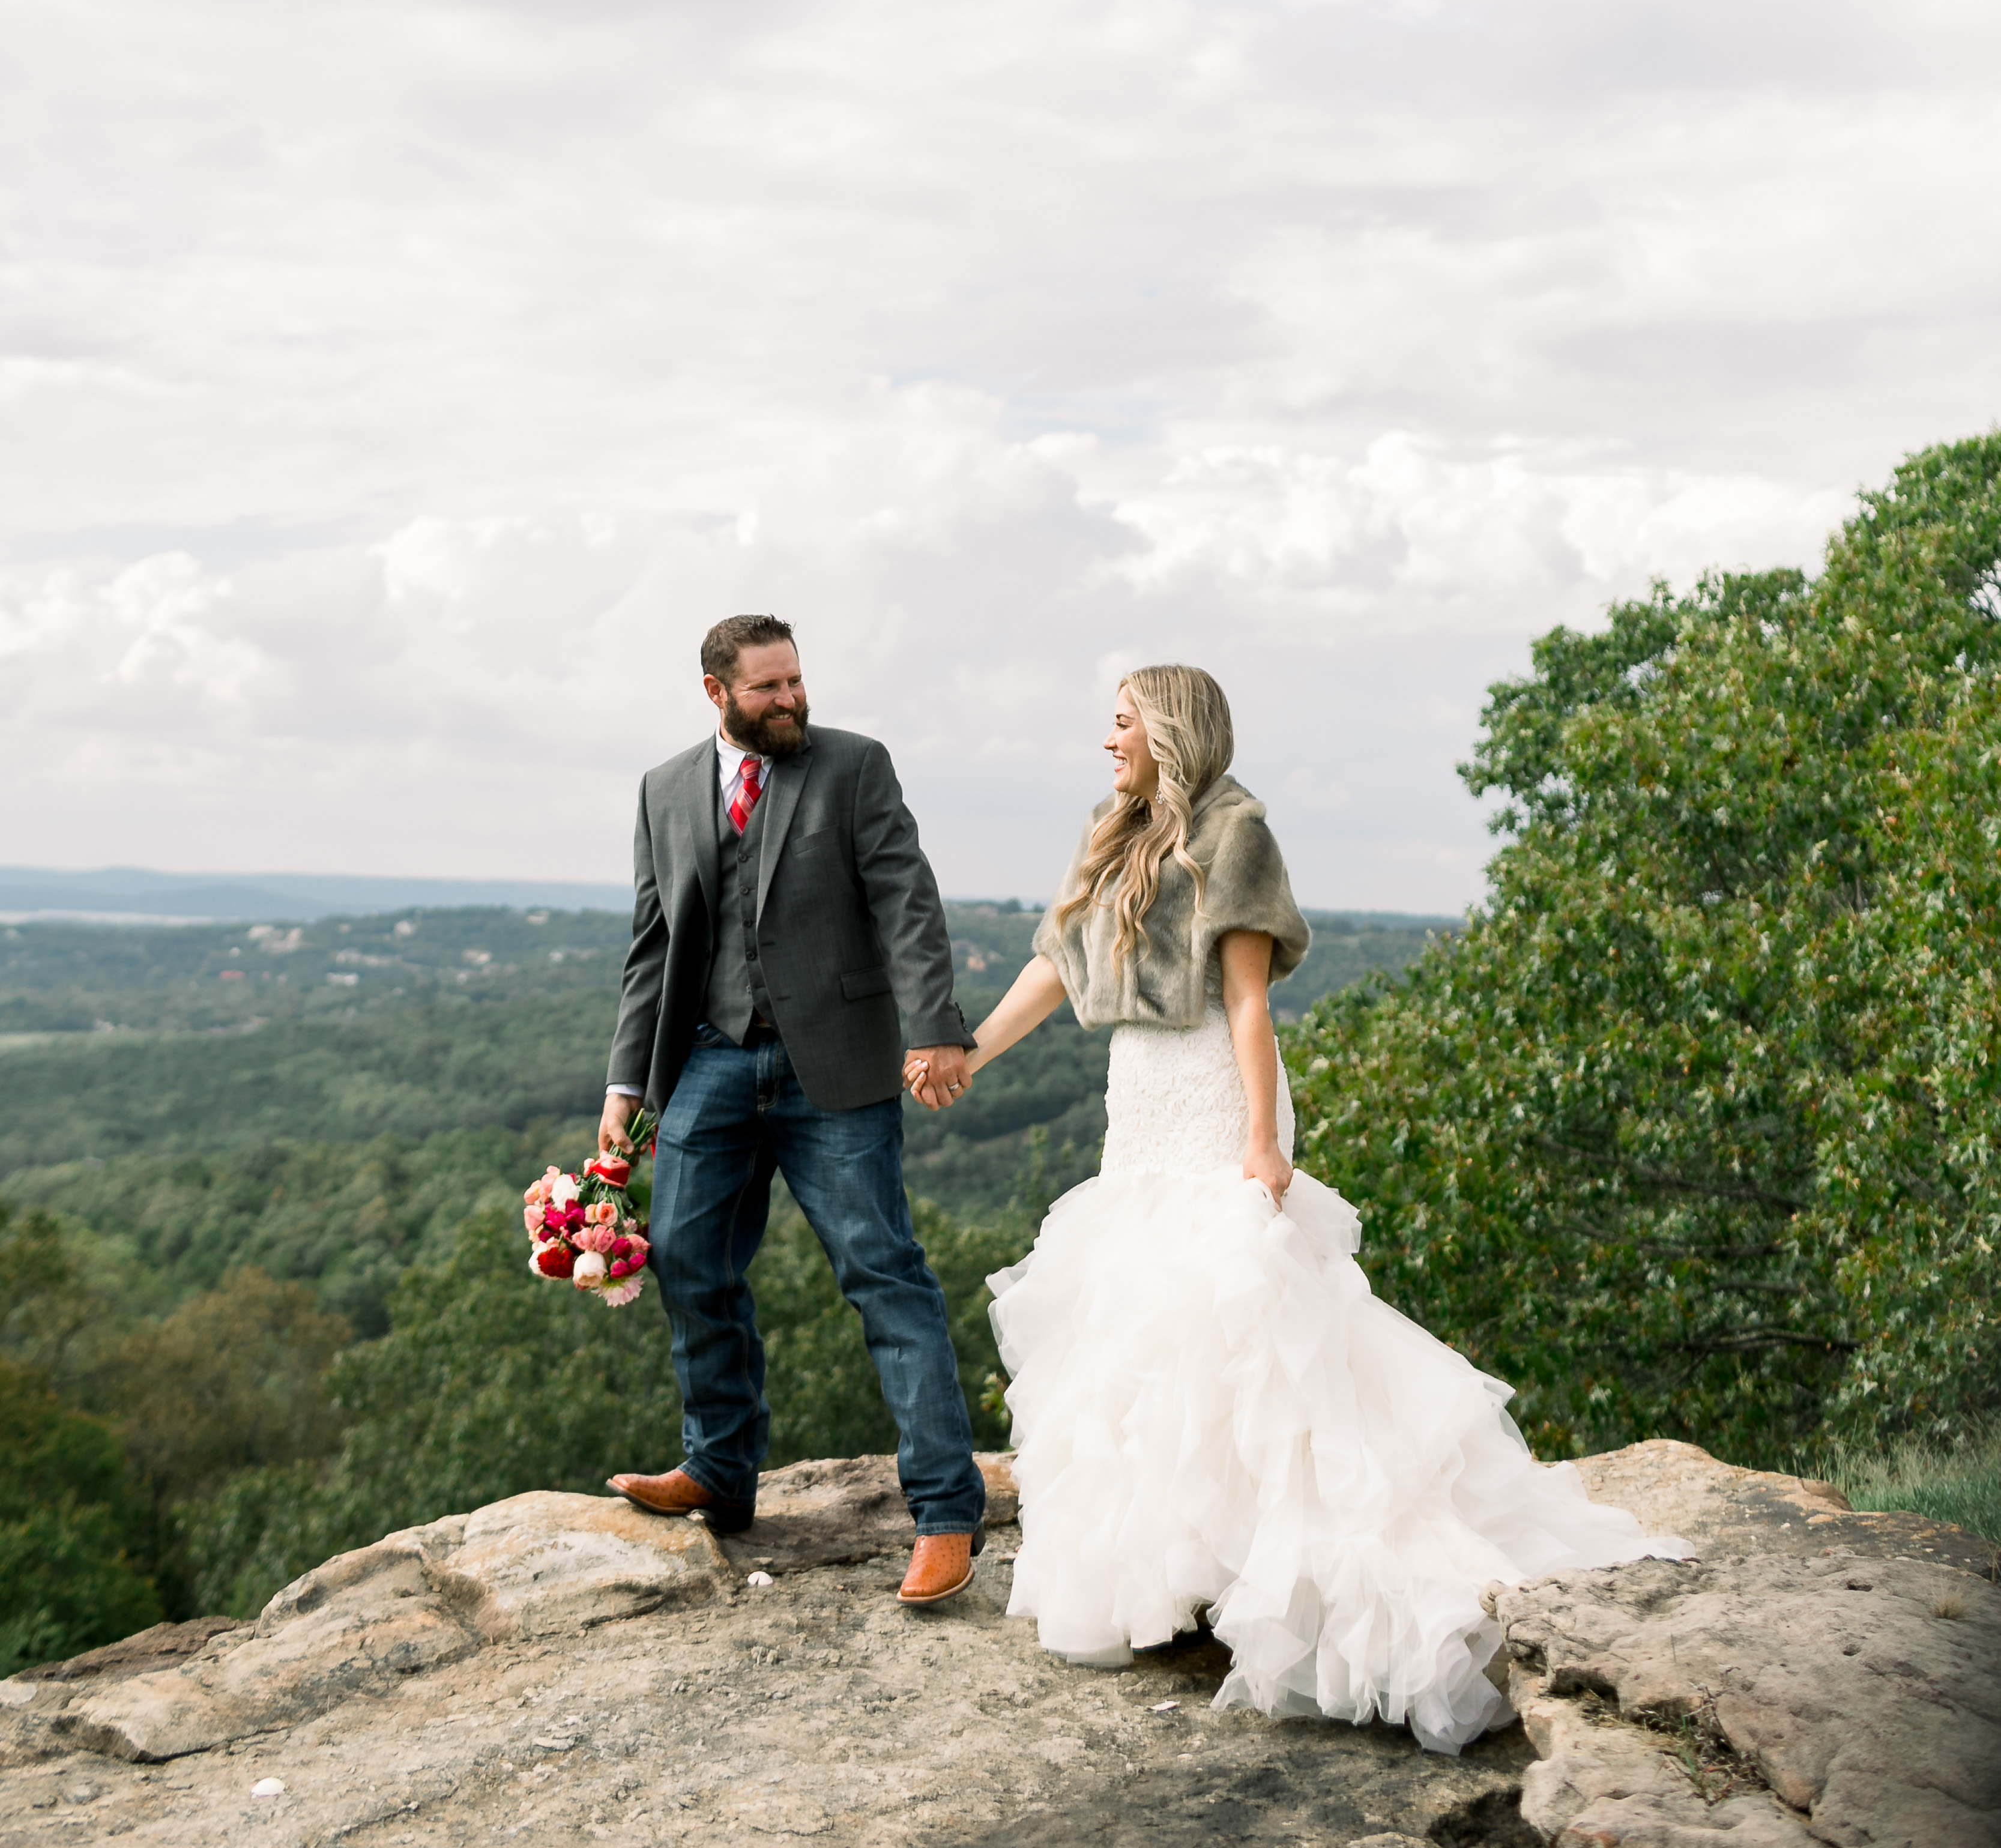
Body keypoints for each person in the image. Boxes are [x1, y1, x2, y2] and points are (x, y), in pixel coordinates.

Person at [905, 663, 1689, 1750]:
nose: (1107, 743)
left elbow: (1246, 1000)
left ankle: (1282, 1576)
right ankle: (1170, 1583)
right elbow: (1058, 961)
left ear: (1169, 731)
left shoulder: (1237, 834)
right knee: (1140, 1331)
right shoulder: (1113, 827)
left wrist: (1262, 1143)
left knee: (1242, 1324)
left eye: (1121, 724)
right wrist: (970, 1056)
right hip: (1136, 1094)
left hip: (1215, 1092)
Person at [600, 613, 988, 1603]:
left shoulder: (855, 767)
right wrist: (626, 1085)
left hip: (838, 1072)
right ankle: (720, 1472)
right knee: (687, 1261)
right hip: (711, 1064)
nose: (790, 701)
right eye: (767, 687)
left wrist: (934, 1026)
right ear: (716, 691)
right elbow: (655, 945)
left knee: (883, 1273)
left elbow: (907, 899)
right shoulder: (664, 789)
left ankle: (946, 1512)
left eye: (796, 681)